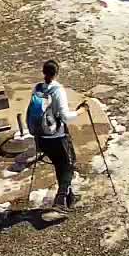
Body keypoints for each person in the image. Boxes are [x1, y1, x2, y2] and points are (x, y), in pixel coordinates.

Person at [28, 59, 84, 208]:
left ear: (43, 72)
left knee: (60, 165)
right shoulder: (57, 90)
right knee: (68, 165)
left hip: (41, 138)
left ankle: (69, 197)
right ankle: (60, 200)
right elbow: (65, 116)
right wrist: (80, 111)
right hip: (57, 137)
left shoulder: (38, 88)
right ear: (57, 73)